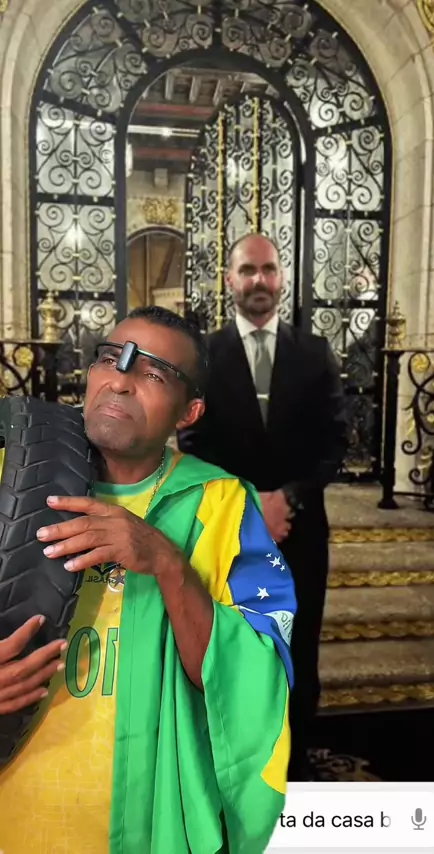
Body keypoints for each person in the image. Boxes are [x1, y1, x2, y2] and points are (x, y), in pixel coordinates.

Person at [0, 306, 296, 854]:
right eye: (111, 358)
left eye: (154, 373)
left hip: (144, 821)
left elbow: (251, 678)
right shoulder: (9, 476)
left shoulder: (221, 505)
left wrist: (166, 562)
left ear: (190, 411)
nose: (120, 381)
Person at [178, 234, 347, 780]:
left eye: (268, 269)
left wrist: (288, 498)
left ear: (282, 278)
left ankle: (294, 769)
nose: (259, 280)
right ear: (230, 279)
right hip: (230, 532)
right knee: (235, 647)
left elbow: (336, 443)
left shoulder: (315, 354)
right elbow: (193, 443)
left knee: (299, 649)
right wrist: (252, 504)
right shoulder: (204, 355)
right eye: (248, 270)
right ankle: (237, 768)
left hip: (302, 532)